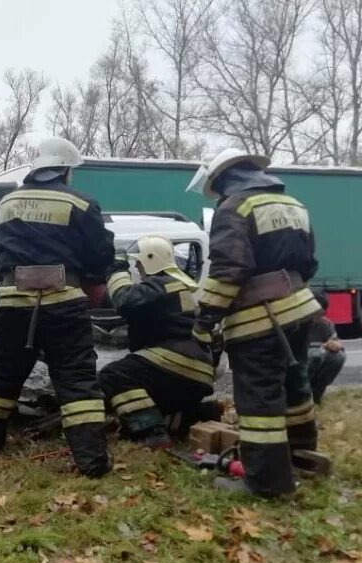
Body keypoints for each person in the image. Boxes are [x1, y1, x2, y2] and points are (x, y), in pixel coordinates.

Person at [0, 137, 115, 478]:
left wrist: (1, 271)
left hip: (13, 303)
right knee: (77, 380)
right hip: (65, 304)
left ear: (35, 169)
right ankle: (91, 460)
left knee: (0, 375)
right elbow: (101, 256)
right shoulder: (81, 204)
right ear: (65, 170)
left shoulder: (5, 204)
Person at [187, 149, 321, 498]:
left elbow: (228, 272)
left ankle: (266, 484)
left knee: (260, 402)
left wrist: (205, 320)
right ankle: (302, 452)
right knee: (296, 384)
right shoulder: (293, 204)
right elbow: (309, 262)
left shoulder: (234, 208)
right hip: (299, 308)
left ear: (223, 179)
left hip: (260, 320)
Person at [100, 236, 216, 448]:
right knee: (145, 391)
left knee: (114, 376)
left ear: (150, 260)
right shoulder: (182, 287)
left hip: (175, 363)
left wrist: (117, 269)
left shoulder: (161, 285)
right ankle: (194, 415)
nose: (137, 266)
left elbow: (123, 300)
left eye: (139, 262)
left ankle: (150, 432)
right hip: (197, 371)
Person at [308, 290, 345, 403]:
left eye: (322, 313)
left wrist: (337, 345)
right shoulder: (295, 324)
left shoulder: (326, 324)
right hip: (299, 363)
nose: (319, 316)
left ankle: (316, 394)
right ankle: (299, 395)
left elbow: (336, 342)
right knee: (314, 354)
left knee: (338, 357)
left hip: (317, 360)